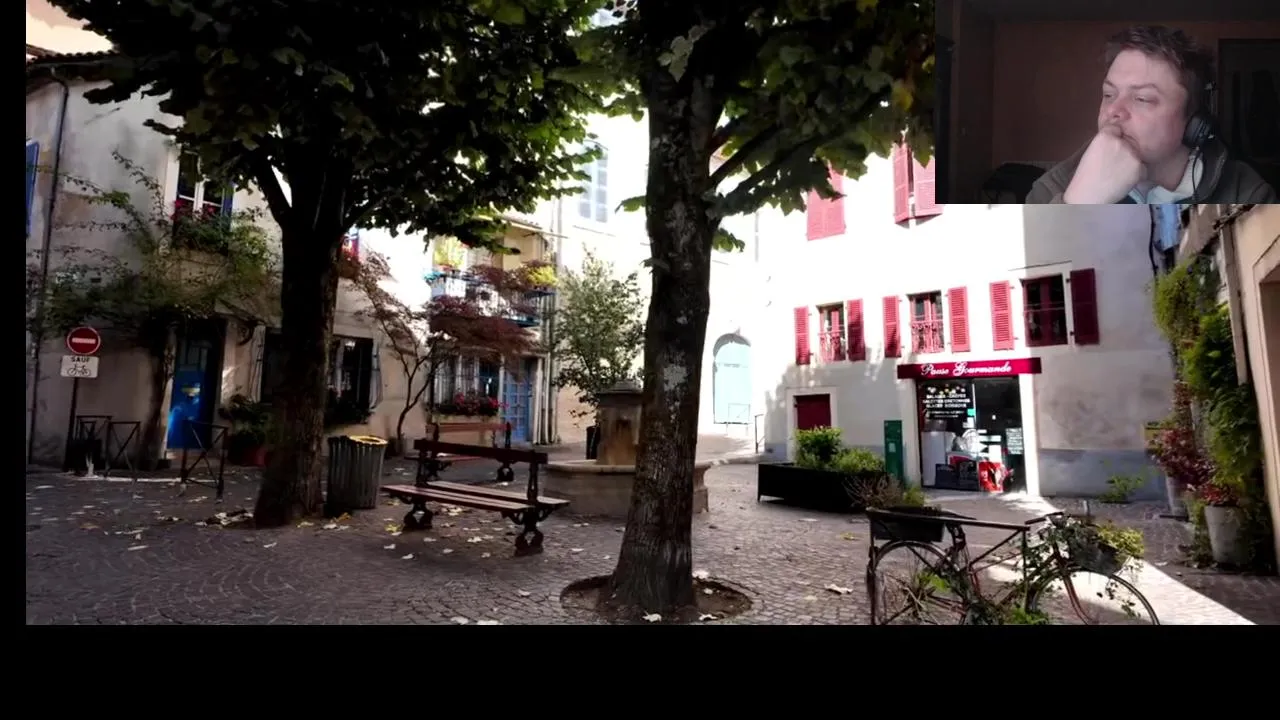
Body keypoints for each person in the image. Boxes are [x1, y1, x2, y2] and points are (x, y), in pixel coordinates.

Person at [1026, 25, 1276, 204]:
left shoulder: (1247, 193)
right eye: (1109, 94)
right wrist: (1078, 206)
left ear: (1194, 121)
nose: (1113, 111)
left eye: (1142, 99)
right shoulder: (1050, 190)